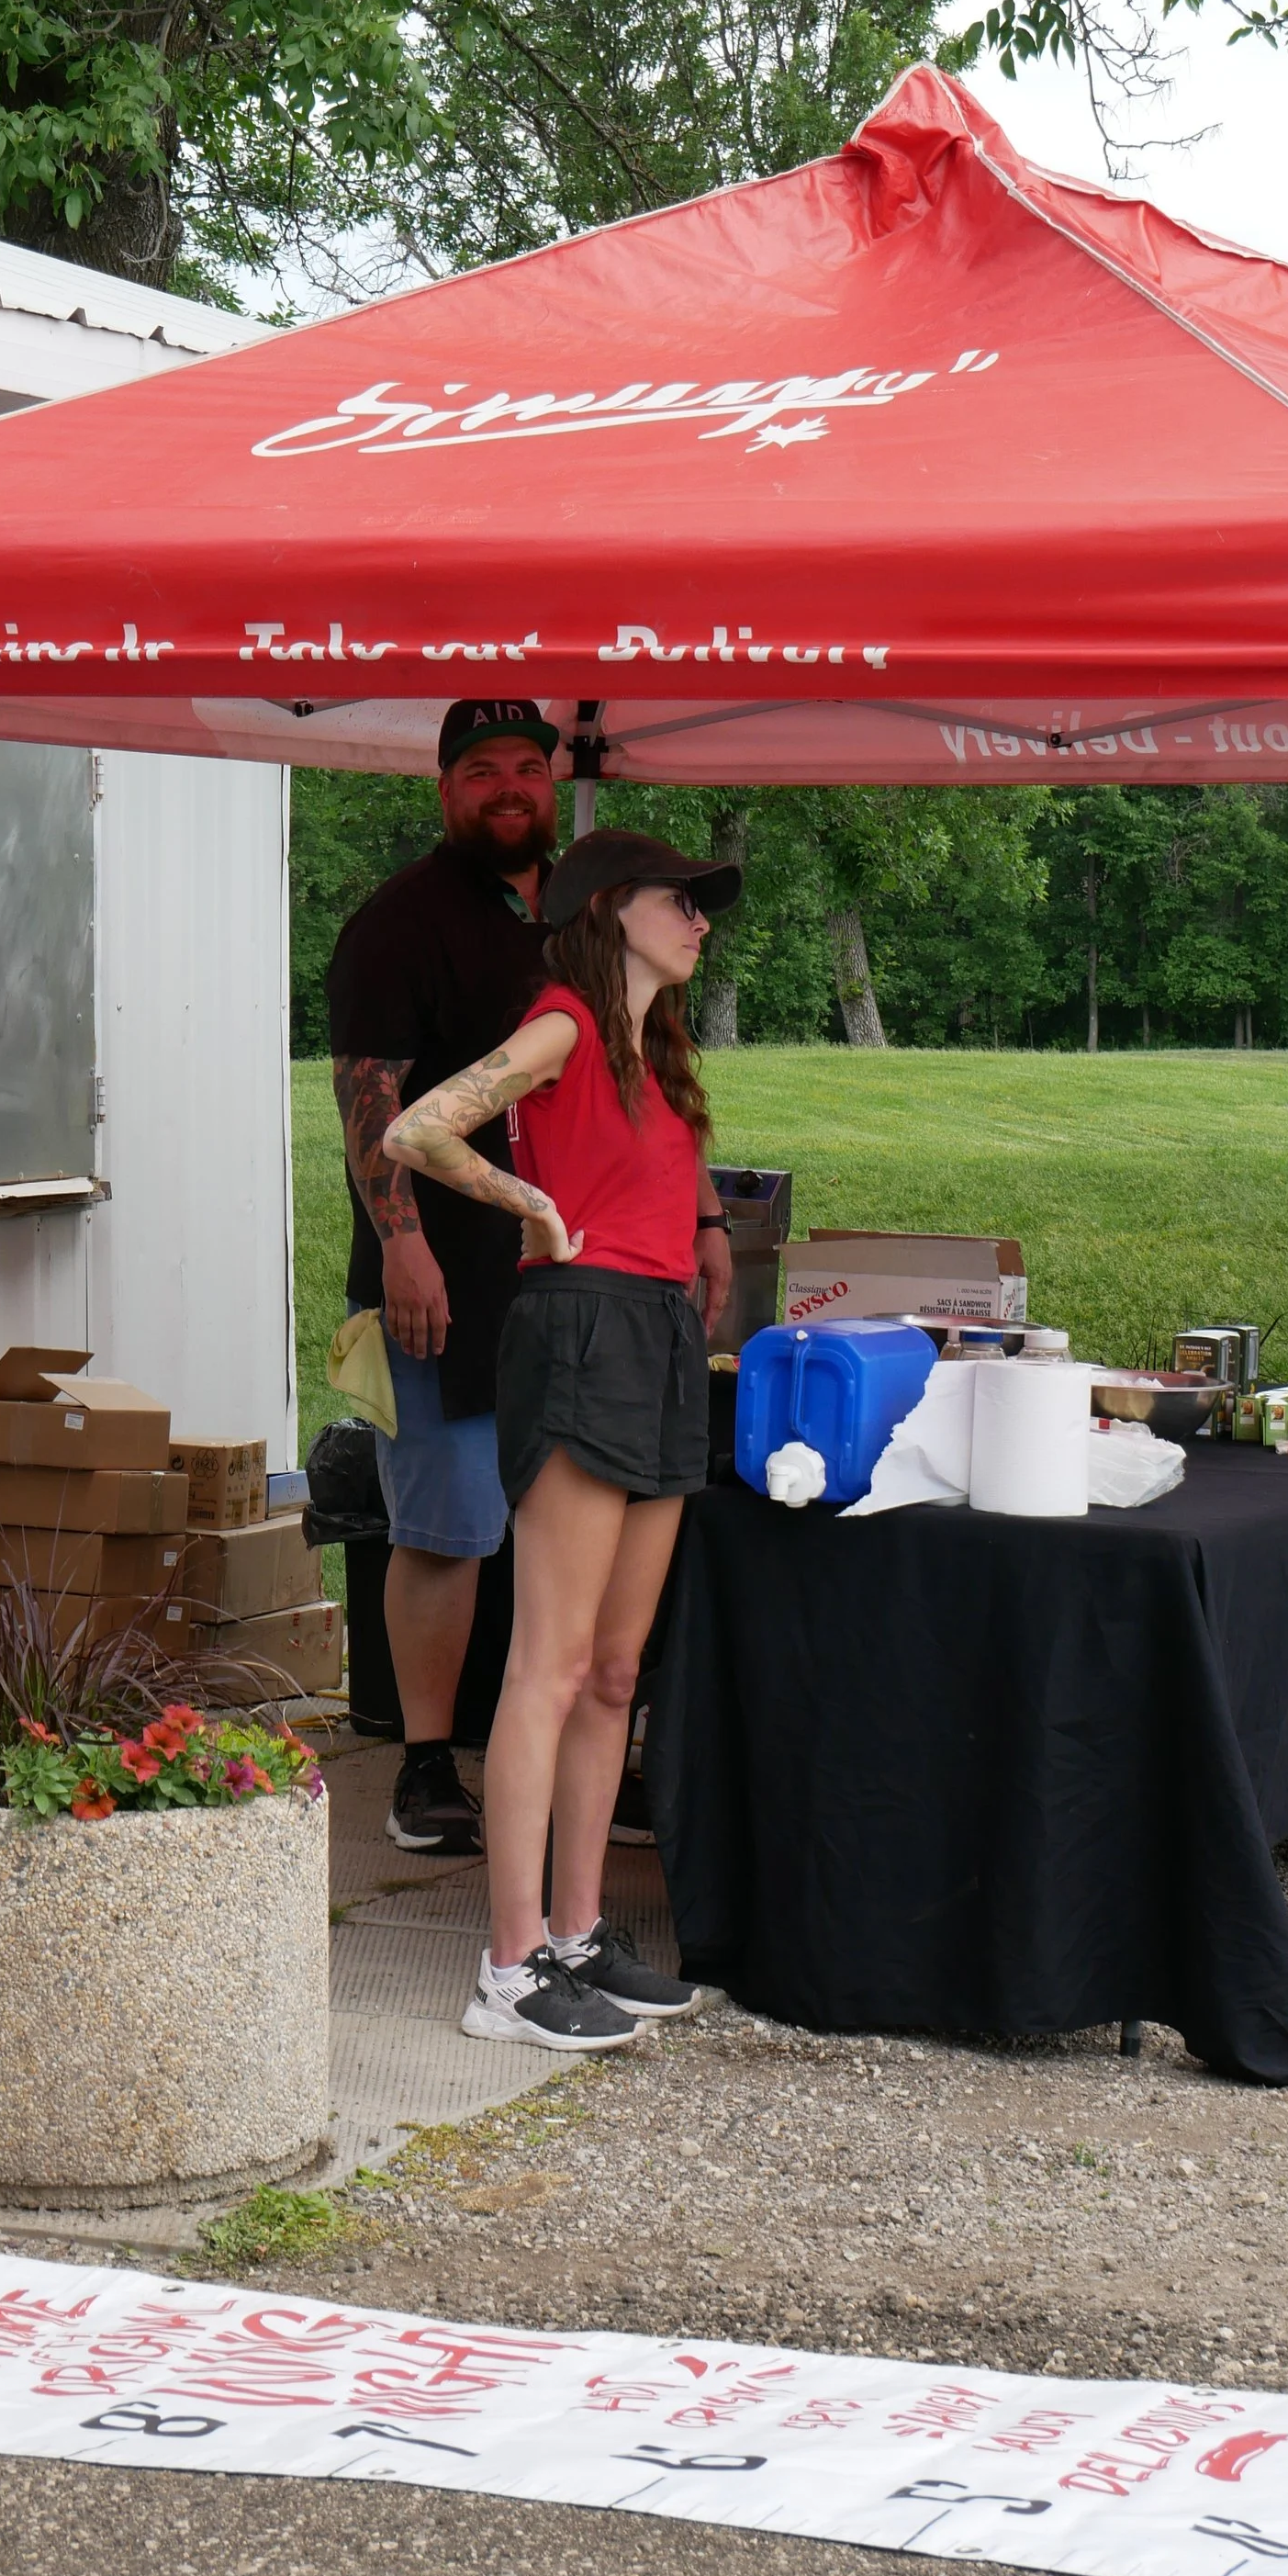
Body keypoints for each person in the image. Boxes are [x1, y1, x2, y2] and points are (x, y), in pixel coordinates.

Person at [326, 709, 735, 1855]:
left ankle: (579, 1780)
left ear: (553, 782)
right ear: (444, 787)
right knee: (448, 1524)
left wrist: (704, 1218)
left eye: (526, 768)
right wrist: (400, 1242)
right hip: (443, 1277)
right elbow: (375, 1101)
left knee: (582, 1567)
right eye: (481, 772)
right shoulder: (397, 923)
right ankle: (423, 1762)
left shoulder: (608, 908)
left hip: (591, 1294)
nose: (507, 788)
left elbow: (665, 1078)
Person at [382, 827, 743, 2049]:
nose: (700, 921)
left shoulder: (665, 1052)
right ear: (608, 911)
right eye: (679, 902)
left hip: (652, 1336)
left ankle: (579, 1937)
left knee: (616, 1669)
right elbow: (421, 1127)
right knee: (550, 1657)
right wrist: (525, 1201)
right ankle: (510, 1967)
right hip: (580, 1328)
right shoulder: (566, 1024)